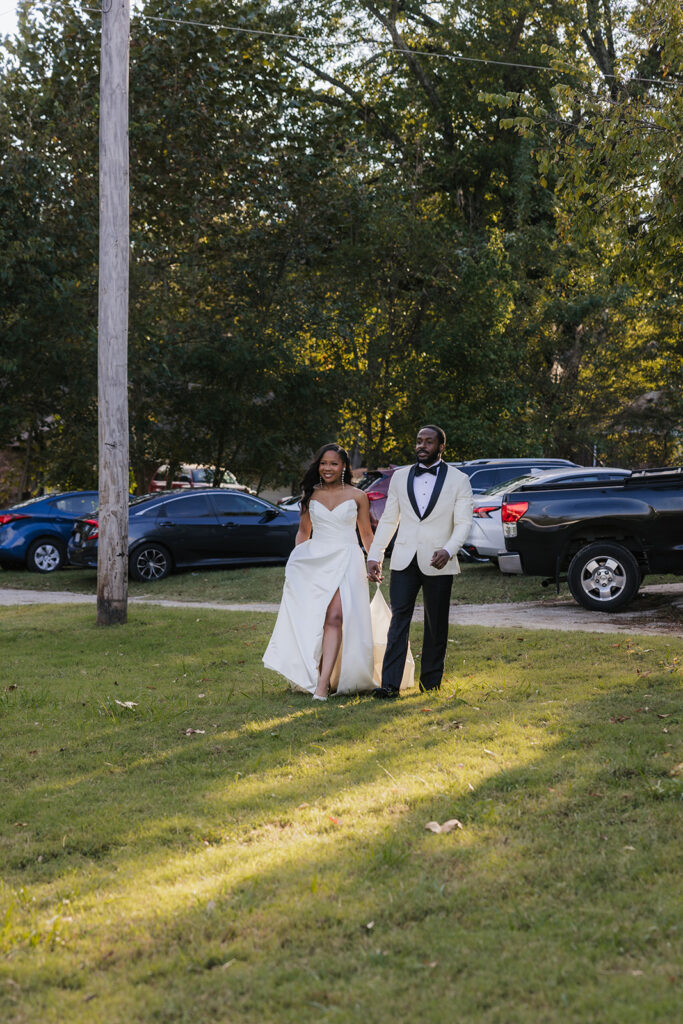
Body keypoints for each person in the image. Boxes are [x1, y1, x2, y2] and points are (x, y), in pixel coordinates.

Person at [263, 443, 378, 700]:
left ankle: (323, 685)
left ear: (344, 466)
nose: (327, 468)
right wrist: (297, 563)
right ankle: (315, 673)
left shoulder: (358, 496)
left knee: (335, 617)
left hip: (347, 558)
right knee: (317, 619)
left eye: (333, 464)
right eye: (323, 463)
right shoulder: (310, 494)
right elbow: (304, 532)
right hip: (316, 561)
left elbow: (366, 534)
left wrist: (375, 560)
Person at [367, 425, 474, 699]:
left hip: (439, 560)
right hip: (404, 559)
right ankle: (390, 685)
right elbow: (389, 519)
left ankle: (431, 684)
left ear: (441, 447)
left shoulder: (459, 480)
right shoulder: (400, 477)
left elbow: (463, 523)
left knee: (436, 623)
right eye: (419, 441)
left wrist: (449, 550)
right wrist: (375, 554)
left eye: (428, 442)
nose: (422, 446)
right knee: (398, 620)